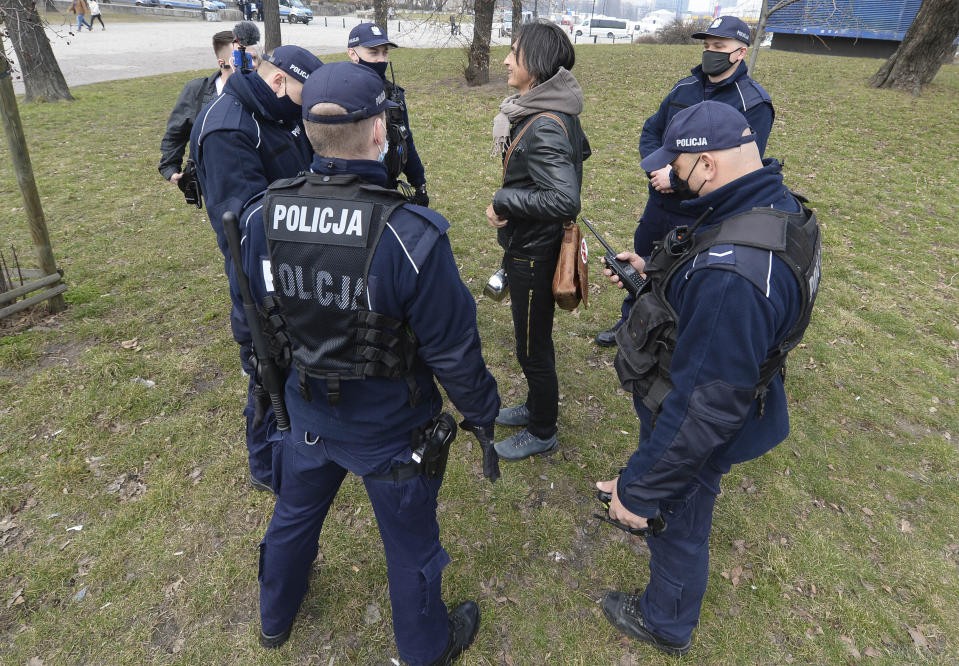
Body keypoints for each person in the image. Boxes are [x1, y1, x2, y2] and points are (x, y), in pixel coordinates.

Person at [237, 61, 501, 664]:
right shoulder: (413, 235)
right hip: (390, 431)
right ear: (379, 132)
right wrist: (483, 415)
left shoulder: (259, 218)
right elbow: (454, 350)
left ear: (306, 132)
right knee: (410, 548)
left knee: (293, 517)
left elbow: (246, 313)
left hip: (303, 413)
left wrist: (261, 375)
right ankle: (425, 648)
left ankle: (274, 616)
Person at [595, 101, 821, 656]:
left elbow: (702, 413)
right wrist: (655, 270)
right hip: (715, 379)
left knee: (680, 515)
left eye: (678, 164)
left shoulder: (733, 278)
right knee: (673, 482)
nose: (670, 174)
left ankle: (665, 622)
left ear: (709, 165)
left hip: (695, 409)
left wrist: (641, 492)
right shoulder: (775, 205)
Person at [594, 15, 774, 347]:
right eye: (707, 46)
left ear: (741, 53)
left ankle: (675, 336)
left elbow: (742, 168)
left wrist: (676, 178)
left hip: (700, 214)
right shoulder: (684, 88)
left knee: (683, 276)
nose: (710, 53)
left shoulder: (754, 104)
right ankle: (630, 326)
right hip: (659, 202)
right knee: (643, 264)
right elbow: (652, 131)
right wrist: (656, 171)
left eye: (719, 46)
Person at [189, 45, 322, 491]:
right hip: (256, 273)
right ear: (280, 81)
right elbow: (242, 224)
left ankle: (301, 437)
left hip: (298, 257)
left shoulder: (278, 113)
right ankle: (266, 466)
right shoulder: (229, 127)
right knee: (266, 365)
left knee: (296, 357)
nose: (313, 104)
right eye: (309, 92)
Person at [486, 19, 590, 461]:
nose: (506, 60)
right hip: (531, 244)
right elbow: (575, 154)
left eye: (515, 53)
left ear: (538, 63)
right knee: (532, 341)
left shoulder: (544, 121)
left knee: (532, 347)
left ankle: (543, 428)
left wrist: (504, 200)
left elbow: (565, 199)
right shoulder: (548, 108)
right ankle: (533, 406)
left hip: (535, 253)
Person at [346, 23, 429, 206]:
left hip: (387, 187)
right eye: (373, 53)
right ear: (353, 54)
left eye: (385, 52)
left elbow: (405, 138)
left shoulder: (395, 94)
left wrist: (419, 183)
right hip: (350, 191)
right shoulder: (338, 92)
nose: (381, 59)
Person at [158, 30, 237, 186]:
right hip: (213, 183)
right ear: (222, 63)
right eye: (239, 60)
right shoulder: (197, 91)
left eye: (252, 58)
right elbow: (176, 132)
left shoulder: (264, 89)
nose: (251, 65)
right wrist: (170, 168)